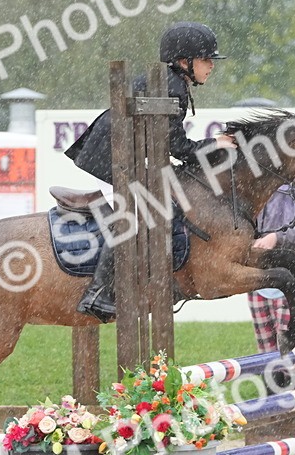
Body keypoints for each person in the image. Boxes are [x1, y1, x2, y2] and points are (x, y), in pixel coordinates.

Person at [64, 21, 235, 321]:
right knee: (148, 208)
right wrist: (216, 143)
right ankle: (99, 291)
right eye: (206, 60)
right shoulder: (174, 87)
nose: (211, 67)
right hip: (111, 153)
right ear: (184, 62)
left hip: (121, 149)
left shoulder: (174, 82)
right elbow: (179, 147)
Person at [249, 184, 295, 353]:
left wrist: (276, 238)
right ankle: (272, 379)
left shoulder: (293, 190)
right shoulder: (252, 186)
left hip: (288, 284)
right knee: (265, 353)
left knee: (289, 351)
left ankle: (294, 379)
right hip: (257, 280)